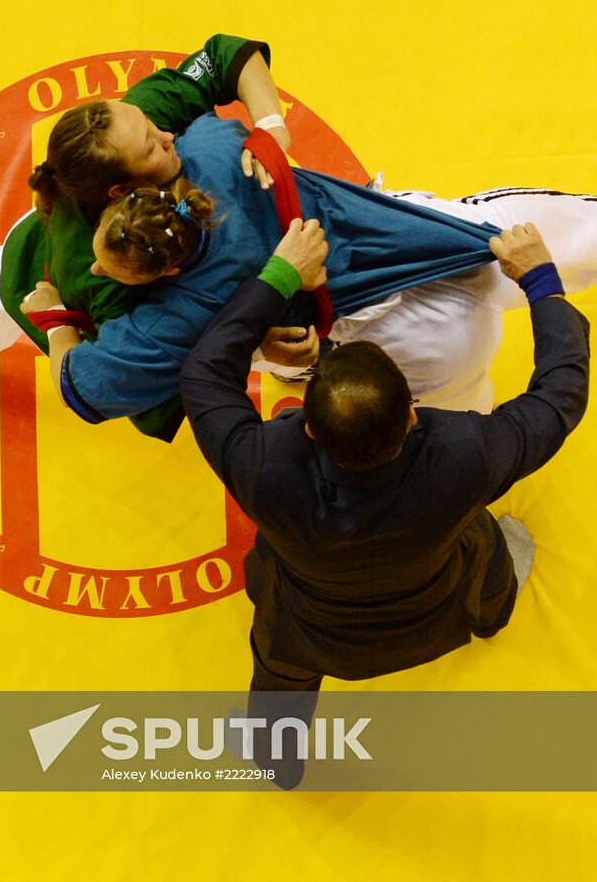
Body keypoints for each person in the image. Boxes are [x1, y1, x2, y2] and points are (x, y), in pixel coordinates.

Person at [0, 34, 597, 434]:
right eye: (155, 141)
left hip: (367, 325)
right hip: (414, 245)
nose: (164, 135)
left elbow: (84, 387)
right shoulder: (215, 150)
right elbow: (229, 60)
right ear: (127, 188)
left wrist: (55, 318)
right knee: (534, 241)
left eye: (158, 132)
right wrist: (270, 133)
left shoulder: (167, 295)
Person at [178, 219, 590, 788]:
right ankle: (492, 614)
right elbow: (560, 393)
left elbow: (205, 372)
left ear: (310, 431)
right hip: (437, 610)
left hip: (309, 630)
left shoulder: (263, 467)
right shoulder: (466, 455)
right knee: (487, 538)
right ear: (414, 414)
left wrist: (278, 278)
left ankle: (278, 762)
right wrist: (541, 280)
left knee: (278, 674)